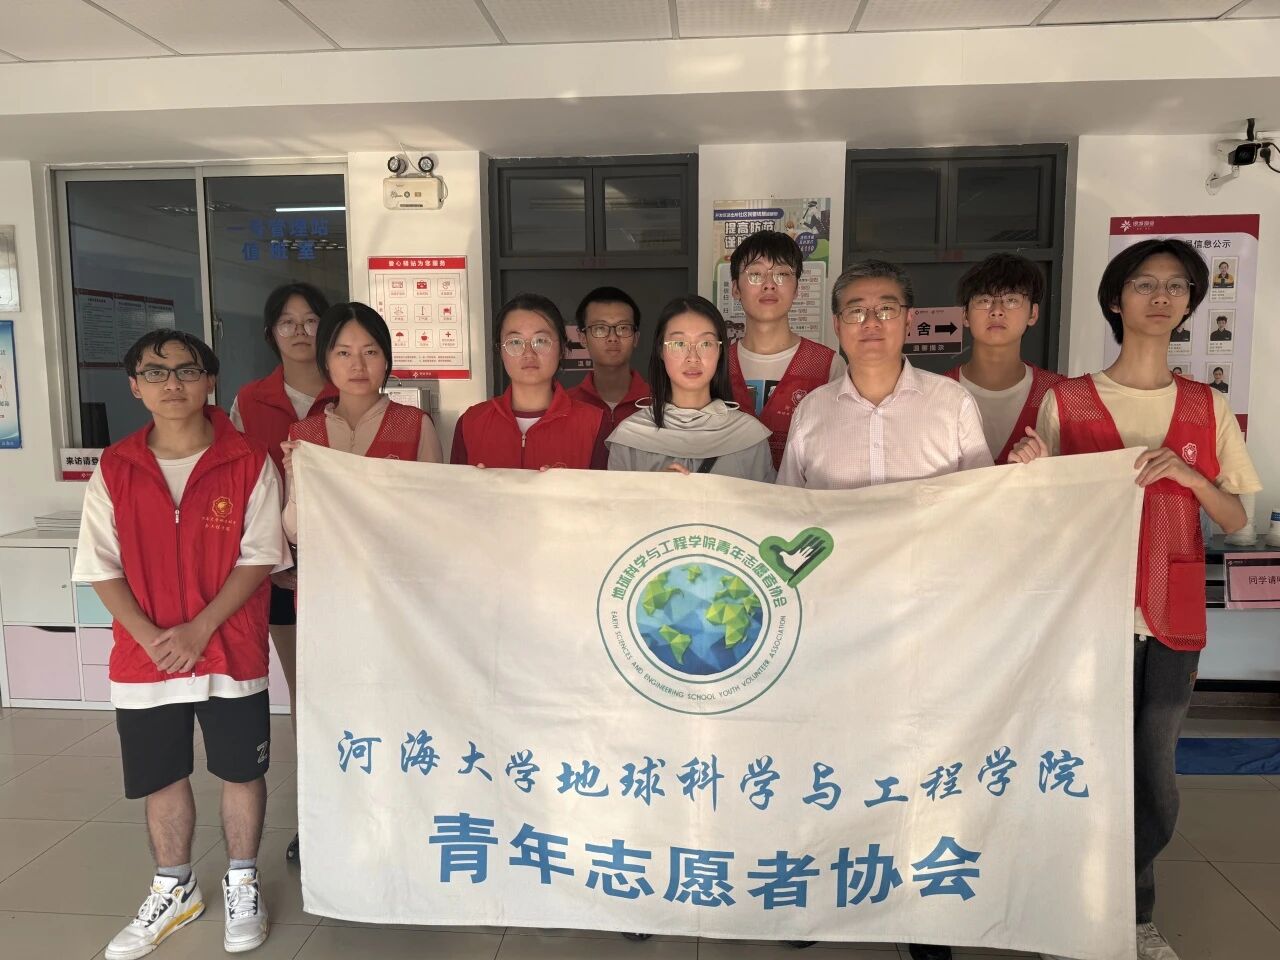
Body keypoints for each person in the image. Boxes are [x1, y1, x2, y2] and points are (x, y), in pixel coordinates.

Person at [1010, 238, 1261, 960]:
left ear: (1190, 304)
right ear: (1115, 300)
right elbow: (1032, 516)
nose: (1161, 296)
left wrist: (1190, 476)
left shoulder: (1206, 407)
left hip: (1171, 617)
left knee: (1153, 777)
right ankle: (1065, 908)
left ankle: (1132, 911)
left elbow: (1236, 519)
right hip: (1086, 615)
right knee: (1078, 766)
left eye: (1176, 286)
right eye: (1144, 283)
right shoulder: (1067, 402)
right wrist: (1029, 471)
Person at [778, 261, 989, 960]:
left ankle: (922, 914)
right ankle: (816, 893)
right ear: (836, 325)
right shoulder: (812, 412)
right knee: (830, 764)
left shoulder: (951, 405)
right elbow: (790, 521)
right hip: (836, 630)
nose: (871, 323)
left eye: (886, 309)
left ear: (910, 321)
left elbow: (984, 510)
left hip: (928, 626)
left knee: (922, 766)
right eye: (857, 311)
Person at [74, 329, 283, 959]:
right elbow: (100, 565)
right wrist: (151, 638)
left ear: (210, 381)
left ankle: (242, 881)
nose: (173, 384)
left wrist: (200, 630)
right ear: (135, 386)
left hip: (229, 649)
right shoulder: (114, 467)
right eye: (155, 372)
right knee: (161, 774)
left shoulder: (248, 459)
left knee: (241, 770)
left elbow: (260, 555)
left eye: (187, 371)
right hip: (146, 658)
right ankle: (174, 887)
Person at [229, 282, 337, 865]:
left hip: (350, 572)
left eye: (311, 319)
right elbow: (239, 484)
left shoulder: (350, 390)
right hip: (279, 573)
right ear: (270, 332)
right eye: (287, 321)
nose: (300, 331)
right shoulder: (249, 401)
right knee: (307, 694)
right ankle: (316, 818)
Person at [282, 301, 442, 545]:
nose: (358, 365)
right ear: (326, 360)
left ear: (386, 358)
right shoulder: (304, 435)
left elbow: (434, 516)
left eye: (370, 352)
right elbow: (294, 533)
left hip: (394, 566)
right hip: (327, 567)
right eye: (343, 353)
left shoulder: (415, 425)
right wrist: (298, 482)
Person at [607, 295, 774, 481]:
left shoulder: (749, 436)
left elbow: (767, 500)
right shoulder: (630, 437)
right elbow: (615, 500)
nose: (692, 357)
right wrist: (654, 489)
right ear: (661, 350)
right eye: (679, 343)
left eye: (706, 343)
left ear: (720, 351)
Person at [726, 230, 845, 469]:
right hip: (728, 492)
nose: (769, 285)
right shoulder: (716, 363)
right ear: (736, 289)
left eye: (782, 274)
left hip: (801, 492)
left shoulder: (828, 365)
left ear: (796, 288)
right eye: (755, 274)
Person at [452, 294, 609, 469]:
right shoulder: (471, 423)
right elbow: (455, 487)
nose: (528, 353)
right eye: (515, 342)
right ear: (500, 351)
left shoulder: (593, 424)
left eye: (541, 340)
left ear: (562, 349)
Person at [944, 253, 1064, 463]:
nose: (997, 311)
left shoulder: (1059, 393)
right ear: (965, 315)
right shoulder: (938, 392)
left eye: (1011, 300)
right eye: (984, 300)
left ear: (1033, 314)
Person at [567, 286, 650, 430]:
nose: (612, 338)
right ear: (582, 338)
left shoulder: (659, 403)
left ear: (636, 338)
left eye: (623, 328)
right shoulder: (565, 405)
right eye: (600, 328)